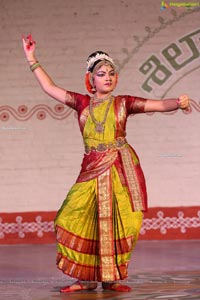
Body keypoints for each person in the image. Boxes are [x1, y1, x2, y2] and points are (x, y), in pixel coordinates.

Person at [22, 35, 190, 293]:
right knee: (72, 216)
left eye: (112, 73)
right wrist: (32, 58)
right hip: (91, 169)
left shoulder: (124, 103)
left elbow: (157, 105)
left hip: (120, 169)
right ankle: (86, 279)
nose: (108, 77)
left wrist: (177, 104)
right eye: (101, 74)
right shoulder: (82, 104)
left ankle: (111, 278)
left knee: (121, 220)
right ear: (91, 79)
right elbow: (50, 88)